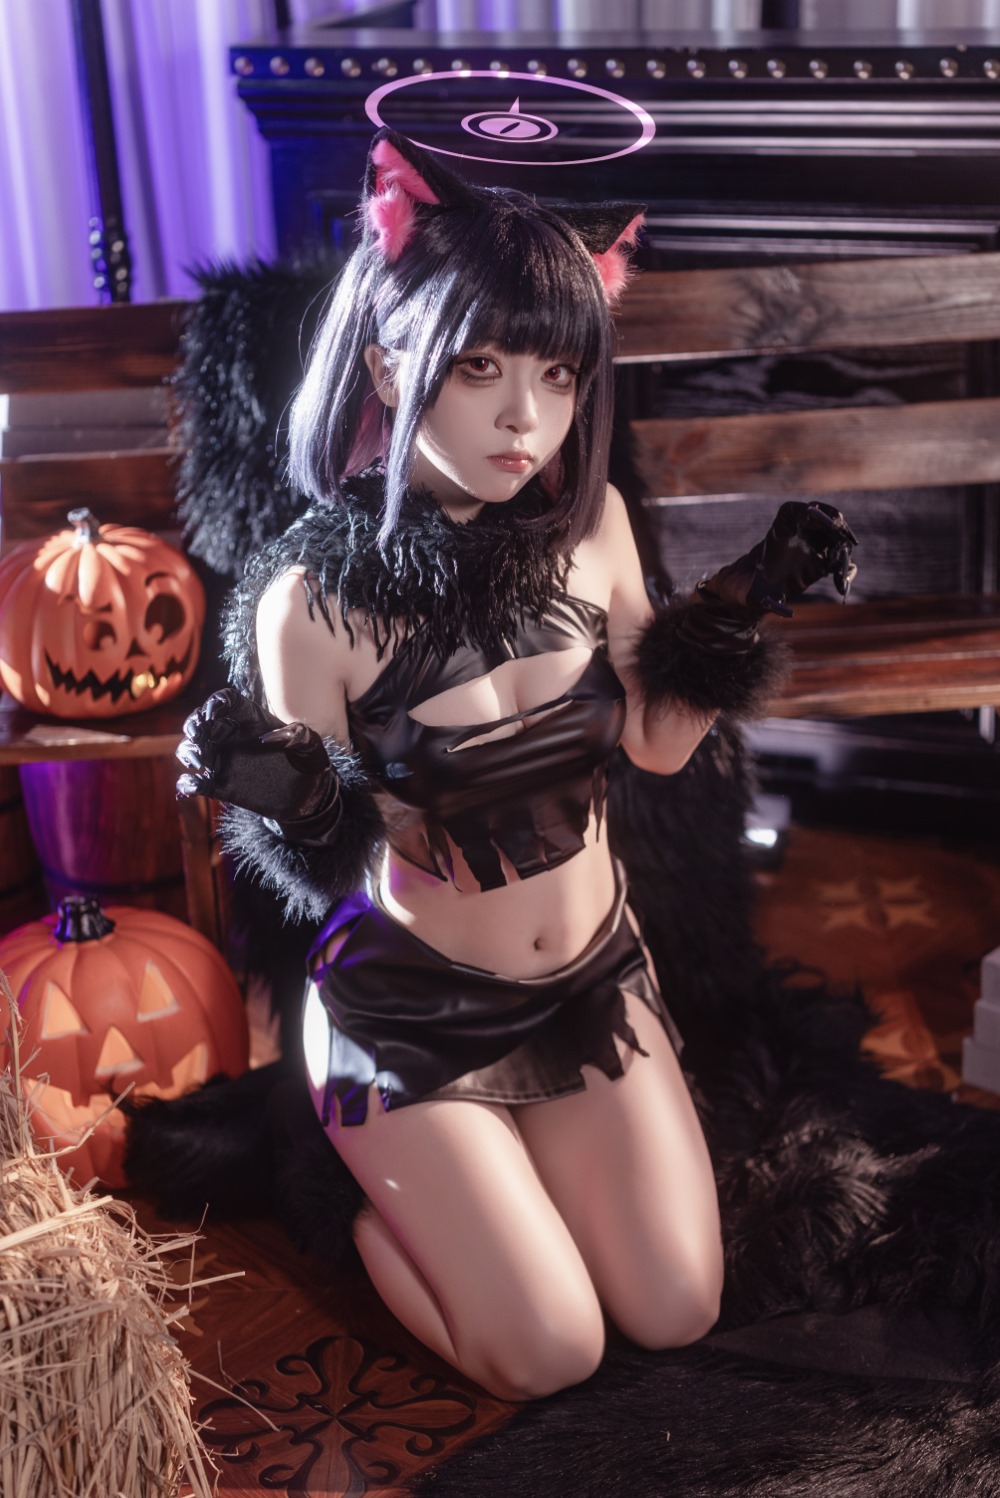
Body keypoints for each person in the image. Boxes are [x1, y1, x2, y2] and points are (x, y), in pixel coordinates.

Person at [176, 128, 856, 1402]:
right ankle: (380, 1207)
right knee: (549, 1351)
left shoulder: (592, 529)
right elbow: (325, 864)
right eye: (478, 367)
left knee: (675, 1307)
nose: (522, 419)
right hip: (411, 1014)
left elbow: (655, 742)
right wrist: (280, 787)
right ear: (390, 361)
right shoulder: (305, 602)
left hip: (591, 984)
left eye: (556, 374)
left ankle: (508, 1189)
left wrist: (750, 595)